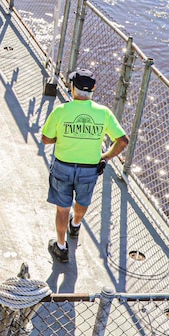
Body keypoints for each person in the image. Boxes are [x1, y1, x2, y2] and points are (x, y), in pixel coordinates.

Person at [41, 69, 129, 264]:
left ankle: (61, 247)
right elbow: (123, 141)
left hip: (63, 166)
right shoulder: (103, 113)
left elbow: (46, 139)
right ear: (93, 89)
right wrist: (105, 157)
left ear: (73, 88)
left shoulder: (61, 111)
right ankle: (76, 224)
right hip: (89, 169)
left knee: (62, 208)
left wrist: (61, 138)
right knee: (83, 201)